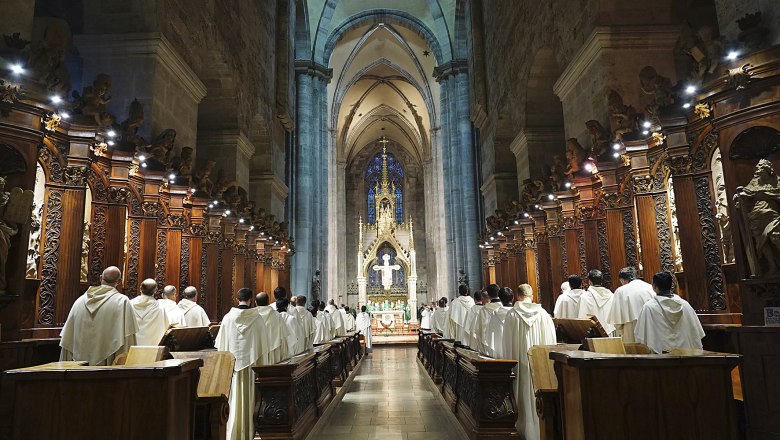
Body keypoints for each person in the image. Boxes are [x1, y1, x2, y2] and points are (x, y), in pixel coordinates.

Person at [501, 283, 556, 439]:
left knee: (522, 394)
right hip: (540, 366)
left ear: (518, 296)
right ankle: (541, 430)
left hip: (519, 365)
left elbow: (507, 345)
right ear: (532, 296)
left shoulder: (512, 315)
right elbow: (552, 342)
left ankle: (522, 429)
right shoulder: (544, 315)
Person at [215, 288, 271, 440]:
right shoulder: (257, 318)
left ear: (236, 298)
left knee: (234, 397)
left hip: (233, 368)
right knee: (251, 398)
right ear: (251, 300)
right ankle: (250, 429)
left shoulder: (228, 318)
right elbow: (264, 345)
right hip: (252, 370)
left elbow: (220, 346)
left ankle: (234, 431)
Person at [60, 266, 138, 366]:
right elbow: (127, 339)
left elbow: (68, 338)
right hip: (106, 370)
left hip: (78, 369)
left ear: (101, 278)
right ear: (119, 282)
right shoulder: (122, 302)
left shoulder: (79, 301)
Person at [635, 272, 705, 354]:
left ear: (654, 286)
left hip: (661, 359)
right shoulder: (685, 305)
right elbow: (697, 334)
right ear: (671, 285)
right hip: (686, 356)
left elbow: (641, 336)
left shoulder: (649, 307)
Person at [607, 267, 656, 342]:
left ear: (622, 280)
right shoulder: (650, 287)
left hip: (631, 331)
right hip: (651, 329)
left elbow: (617, 322)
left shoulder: (621, 291)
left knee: (634, 352)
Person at [130, 279, 170, 346]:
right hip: (151, 348)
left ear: (140, 288)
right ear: (155, 291)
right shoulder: (160, 309)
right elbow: (165, 329)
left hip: (132, 346)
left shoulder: (129, 305)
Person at [255, 292, 291, 364]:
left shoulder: (252, 316)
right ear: (268, 302)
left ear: (255, 302)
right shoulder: (276, 315)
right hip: (274, 354)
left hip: (256, 352)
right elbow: (283, 338)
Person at [578, 269, 616, 335]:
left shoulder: (584, 297)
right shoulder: (611, 296)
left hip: (593, 335)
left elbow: (581, 319)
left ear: (590, 282)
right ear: (601, 281)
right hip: (610, 333)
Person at [473, 284, 503, 355]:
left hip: (488, 349)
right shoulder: (507, 310)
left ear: (488, 296)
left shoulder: (483, 311)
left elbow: (477, 331)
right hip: (504, 348)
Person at [484, 287, 514, 358]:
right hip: (515, 352)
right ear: (513, 298)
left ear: (500, 299)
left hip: (499, 353)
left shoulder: (495, 314)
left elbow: (489, 335)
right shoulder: (517, 314)